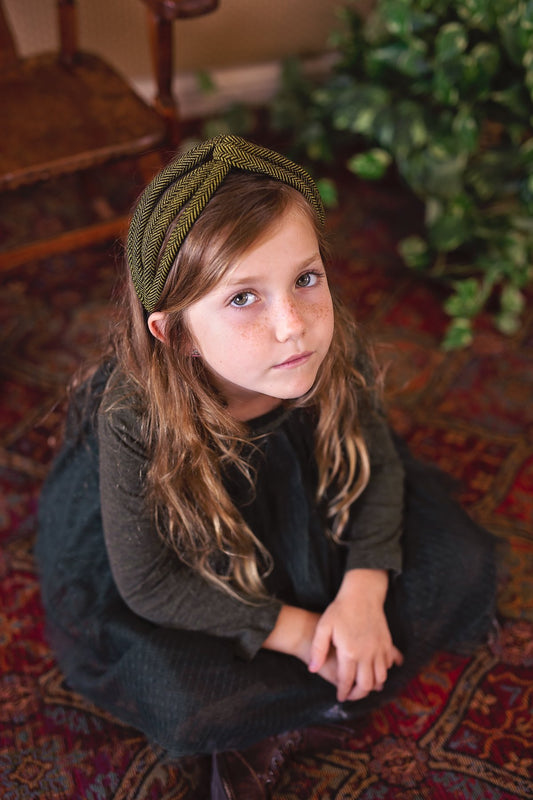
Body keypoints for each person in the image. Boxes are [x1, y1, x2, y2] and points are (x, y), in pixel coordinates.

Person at [36, 136, 496, 763]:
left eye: (305, 278)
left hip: (308, 494)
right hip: (205, 546)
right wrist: (301, 633)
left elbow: (379, 462)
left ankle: (332, 661)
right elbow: (148, 581)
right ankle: (308, 676)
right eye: (242, 297)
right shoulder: (133, 418)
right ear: (176, 333)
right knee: (187, 706)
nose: (294, 326)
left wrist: (363, 591)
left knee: (461, 562)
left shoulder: (328, 348)